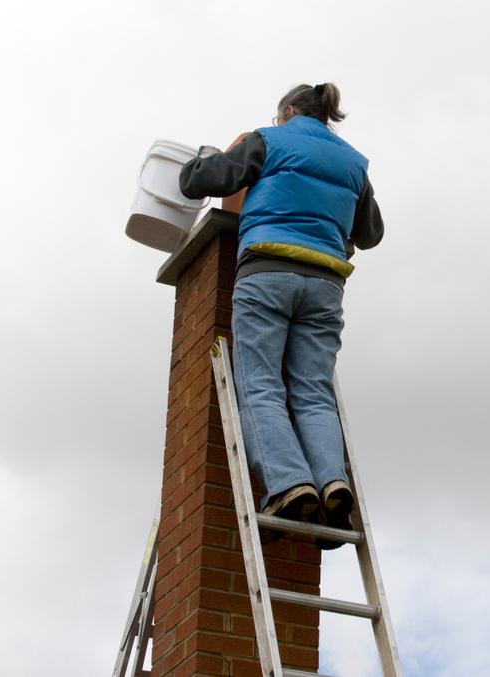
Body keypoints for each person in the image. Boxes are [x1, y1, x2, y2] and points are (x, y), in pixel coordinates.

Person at [178, 83, 383, 549]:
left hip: (268, 271)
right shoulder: (354, 162)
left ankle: (289, 485)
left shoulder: (269, 140)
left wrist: (200, 159)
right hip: (327, 283)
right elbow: (370, 233)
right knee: (313, 392)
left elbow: (201, 181)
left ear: (289, 111)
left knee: (259, 384)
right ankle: (333, 484)